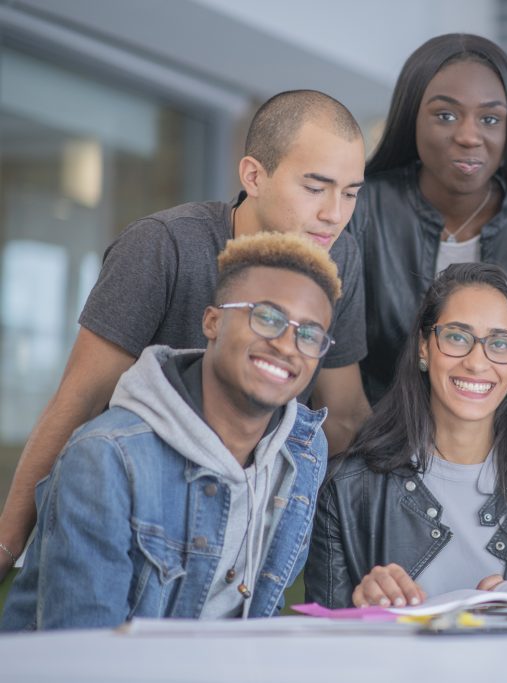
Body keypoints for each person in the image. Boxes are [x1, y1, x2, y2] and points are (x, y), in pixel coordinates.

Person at [0, 90, 370, 580]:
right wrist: (7, 546)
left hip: (241, 531)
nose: (334, 214)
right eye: (315, 187)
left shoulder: (339, 258)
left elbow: (343, 415)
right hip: (128, 509)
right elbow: (82, 397)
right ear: (254, 176)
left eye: (350, 192)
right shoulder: (163, 245)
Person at [1, 233, 339, 629]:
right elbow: (84, 658)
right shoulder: (107, 457)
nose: (287, 345)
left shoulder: (303, 449)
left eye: (309, 334)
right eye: (266, 317)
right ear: (212, 322)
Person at [306, 263, 507, 608]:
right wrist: (362, 610)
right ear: (424, 347)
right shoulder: (346, 490)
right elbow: (323, 644)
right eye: (456, 337)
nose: (476, 362)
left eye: (500, 343)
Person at [349, 33, 507, 403]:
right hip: (373, 439)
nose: (469, 136)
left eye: (490, 119)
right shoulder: (358, 208)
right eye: (446, 115)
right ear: (411, 116)